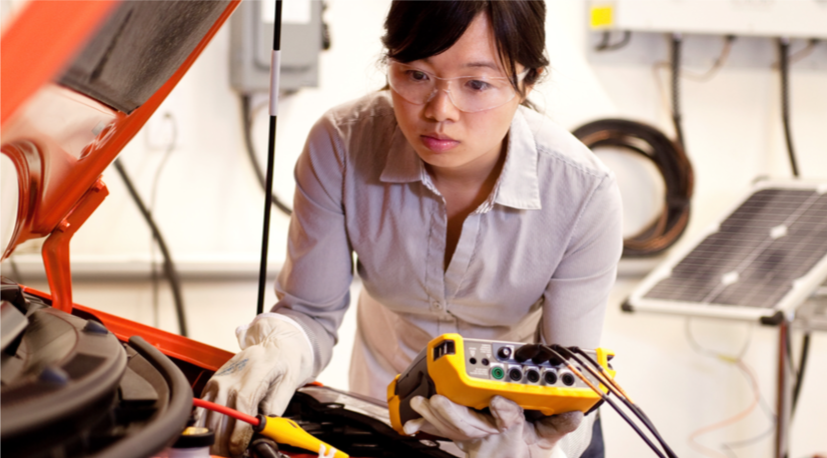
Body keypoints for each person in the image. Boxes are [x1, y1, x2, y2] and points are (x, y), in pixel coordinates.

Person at [199, 1, 623, 457]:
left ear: (529, 80)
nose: (440, 110)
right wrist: (275, 349)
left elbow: (567, 379)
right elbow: (310, 313)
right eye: (416, 75)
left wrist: (524, 445)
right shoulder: (341, 145)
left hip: (519, 424)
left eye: (477, 84)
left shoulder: (582, 193)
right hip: (384, 416)